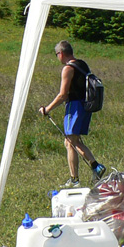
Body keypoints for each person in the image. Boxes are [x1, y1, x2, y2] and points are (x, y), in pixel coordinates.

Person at [38, 41, 106, 187]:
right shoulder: (82, 64)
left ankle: (74, 180)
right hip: (85, 106)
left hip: (74, 107)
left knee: (70, 143)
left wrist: (47, 109)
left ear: (61, 53)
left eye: (57, 54)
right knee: (73, 141)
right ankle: (96, 167)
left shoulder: (68, 68)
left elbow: (63, 95)